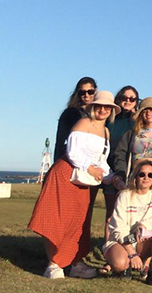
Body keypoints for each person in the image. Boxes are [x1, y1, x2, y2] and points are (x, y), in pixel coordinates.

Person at [29, 90, 117, 279]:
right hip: (67, 175)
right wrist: (89, 168)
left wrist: (113, 178)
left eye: (107, 107)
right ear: (93, 107)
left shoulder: (106, 131)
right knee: (58, 219)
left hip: (85, 182)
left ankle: (75, 263)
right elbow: (72, 152)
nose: (103, 110)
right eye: (99, 106)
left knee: (78, 223)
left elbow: (101, 161)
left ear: (112, 110)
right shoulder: (83, 123)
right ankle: (53, 265)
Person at [104, 160, 152, 286]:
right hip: (122, 239)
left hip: (141, 239)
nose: (146, 178)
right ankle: (124, 267)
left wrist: (143, 225)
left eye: (150, 175)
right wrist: (131, 253)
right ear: (136, 176)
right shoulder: (125, 195)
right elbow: (119, 227)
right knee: (120, 263)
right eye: (142, 174)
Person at [99, 86, 139, 253]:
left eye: (132, 99)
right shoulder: (111, 119)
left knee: (130, 216)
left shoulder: (138, 122)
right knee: (111, 214)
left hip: (130, 172)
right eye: (124, 98)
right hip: (110, 171)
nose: (127, 101)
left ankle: (129, 252)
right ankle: (109, 252)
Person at [113, 97, 152, 197]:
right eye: (145, 110)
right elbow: (121, 154)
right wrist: (120, 173)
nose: (148, 113)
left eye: (151, 110)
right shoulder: (132, 133)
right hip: (136, 176)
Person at [54, 77, 97, 160]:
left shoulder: (101, 114)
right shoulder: (69, 114)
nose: (86, 95)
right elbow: (60, 142)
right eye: (82, 92)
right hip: (74, 159)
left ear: (95, 91)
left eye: (90, 92)